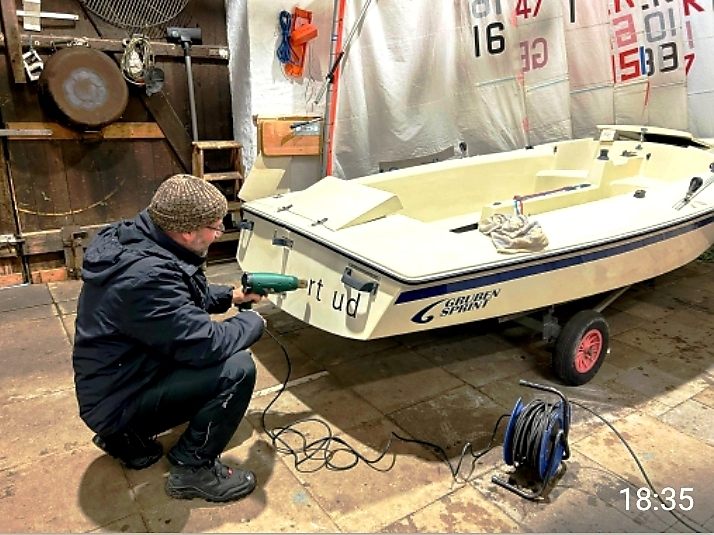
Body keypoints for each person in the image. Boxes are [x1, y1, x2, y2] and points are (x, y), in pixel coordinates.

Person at [72, 174, 266, 503]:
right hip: (118, 402)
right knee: (236, 368)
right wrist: (252, 322)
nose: (218, 233)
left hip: (110, 389)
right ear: (188, 231)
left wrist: (230, 296)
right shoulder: (146, 277)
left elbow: (175, 299)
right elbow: (206, 345)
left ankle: (125, 440)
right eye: (215, 227)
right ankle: (193, 469)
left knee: (193, 354)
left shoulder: (136, 241)